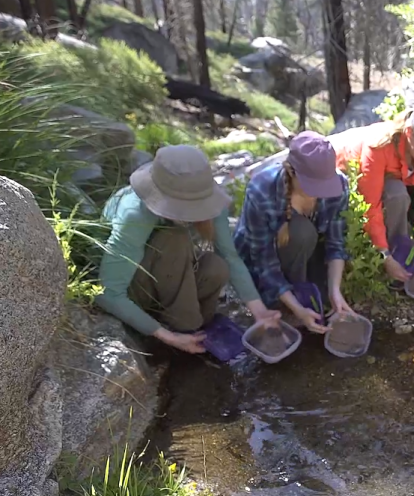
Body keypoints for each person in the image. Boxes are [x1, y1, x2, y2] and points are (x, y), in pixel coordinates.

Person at [96, 145, 280, 355]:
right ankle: (183, 326)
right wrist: (168, 336)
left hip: (166, 273)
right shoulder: (134, 213)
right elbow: (108, 293)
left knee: (216, 266)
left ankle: (194, 326)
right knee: (174, 238)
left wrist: (260, 311)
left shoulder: (210, 202)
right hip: (135, 286)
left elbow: (230, 257)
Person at [233, 131, 353, 335]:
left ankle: (304, 291)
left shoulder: (339, 186)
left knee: (324, 302)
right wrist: (296, 308)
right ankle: (285, 298)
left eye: (324, 185)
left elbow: (336, 243)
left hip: (306, 252)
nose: (319, 192)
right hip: (264, 258)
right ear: (291, 171)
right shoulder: (262, 191)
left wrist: (335, 291)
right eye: (313, 186)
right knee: (303, 232)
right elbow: (263, 260)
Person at [330, 104, 414, 287]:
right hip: (339, 167)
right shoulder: (378, 145)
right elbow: (370, 206)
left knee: (397, 193)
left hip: (384, 178)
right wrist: (384, 256)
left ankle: (398, 258)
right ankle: (386, 261)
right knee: (397, 194)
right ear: (410, 132)